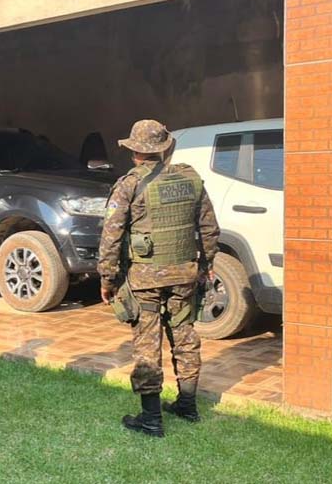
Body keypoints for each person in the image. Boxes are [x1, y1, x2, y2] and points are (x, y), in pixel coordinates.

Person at [98, 119, 220, 437]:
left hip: (145, 279)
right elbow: (209, 228)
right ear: (165, 149)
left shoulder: (129, 184)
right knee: (185, 336)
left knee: (147, 343)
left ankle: (151, 419)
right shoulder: (190, 179)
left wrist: (107, 279)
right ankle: (188, 405)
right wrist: (207, 264)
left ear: (135, 151)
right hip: (184, 274)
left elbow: (111, 236)